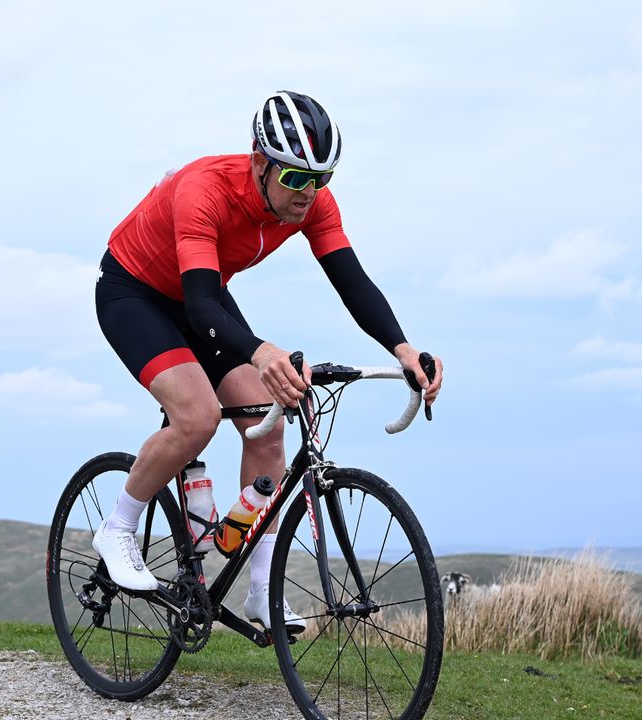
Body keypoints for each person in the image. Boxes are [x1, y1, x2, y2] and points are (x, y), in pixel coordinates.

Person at [92, 90, 444, 632]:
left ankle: (260, 591)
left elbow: (352, 282)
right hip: (133, 292)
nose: (309, 193)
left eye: (321, 178)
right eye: (296, 178)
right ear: (260, 161)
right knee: (199, 416)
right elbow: (204, 304)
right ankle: (118, 526)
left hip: (198, 294)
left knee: (266, 426)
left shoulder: (313, 203)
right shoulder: (204, 189)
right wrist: (262, 351)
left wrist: (403, 349)